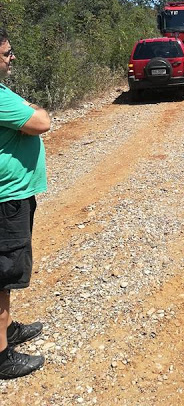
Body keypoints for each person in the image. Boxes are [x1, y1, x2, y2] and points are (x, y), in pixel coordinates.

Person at [0, 29, 50, 379]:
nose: (12, 57)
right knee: (3, 273)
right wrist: (31, 114)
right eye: (6, 53)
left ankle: (7, 328)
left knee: (8, 270)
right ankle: (2, 356)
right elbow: (41, 121)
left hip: (13, 197)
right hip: (6, 200)